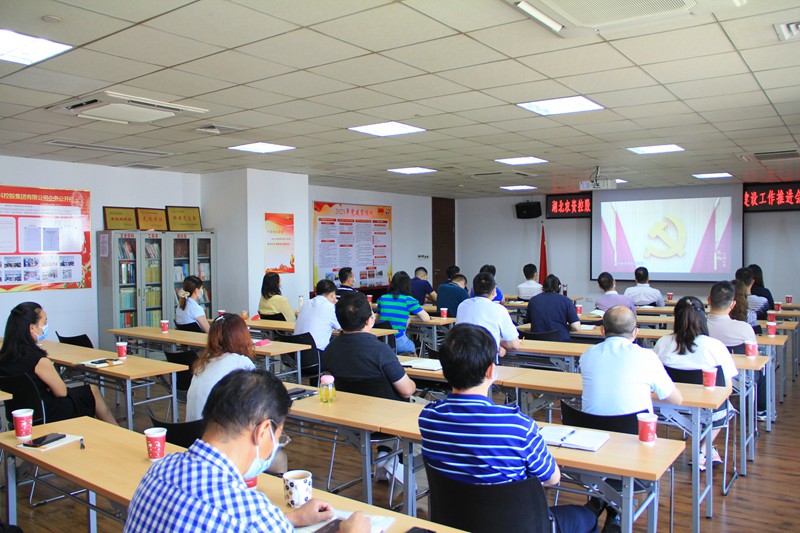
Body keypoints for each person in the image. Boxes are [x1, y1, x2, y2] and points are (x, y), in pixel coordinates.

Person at [126, 369, 369, 533]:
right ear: (263, 431)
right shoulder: (251, 514)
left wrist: (291, 519)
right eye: (278, 436)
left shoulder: (159, 469)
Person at [419, 324, 598, 533]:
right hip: (518, 526)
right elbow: (552, 478)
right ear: (490, 370)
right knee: (587, 517)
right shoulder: (518, 427)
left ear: (444, 370)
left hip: (454, 522)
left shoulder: (428, 418)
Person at [653, 297, 738, 470]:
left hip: (667, 409)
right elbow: (727, 388)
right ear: (703, 318)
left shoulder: (663, 343)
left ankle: (704, 450)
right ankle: (703, 450)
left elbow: (654, 376)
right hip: (707, 410)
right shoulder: (715, 346)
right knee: (726, 407)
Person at [0, 302, 117, 425]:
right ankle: (115, 430)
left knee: (83, 392)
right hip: (46, 413)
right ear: (32, 328)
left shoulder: (4, 356)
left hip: (19, 414)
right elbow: (61, 392)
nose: (46, 326)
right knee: (92, 390)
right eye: (44, 322)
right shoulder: (38, 360)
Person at [580, 306, 682, 416]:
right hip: (635, 426)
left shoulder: (587, 355)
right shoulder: (647, 357)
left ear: (602, 330)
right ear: (635, 332)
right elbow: (676, 400)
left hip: (591, 425)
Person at [324, 292, 416, 400]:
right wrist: (413, 384)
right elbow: (407, 391)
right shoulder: (381, 351)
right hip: (387, 408)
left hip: (348, 406)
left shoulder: (330, 349)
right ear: (369, 320)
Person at [706, 281, 766, 419]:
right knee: (763, 368)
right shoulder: (744, 328)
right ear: (733, 304)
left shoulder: (698, 326)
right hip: (738, 377)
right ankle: (761, 410)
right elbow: (754, 356)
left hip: (707, 377)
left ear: (709, 300)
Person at [457, 272, 520, 359]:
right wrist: (497, 343)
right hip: (486, 360)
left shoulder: (462, 306)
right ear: (494, 291)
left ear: (473, 290)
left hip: (463, 358)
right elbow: (514, 344)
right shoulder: (499, 310)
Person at [376, 271, 431, 354]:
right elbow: (426, 318)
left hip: (382, 341)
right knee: (412, 349)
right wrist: (410, 319)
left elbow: (377, 318)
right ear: (408, 285)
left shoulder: (382, 298)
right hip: (399, 341)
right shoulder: (408, 300)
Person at [525, 274, 580, 341]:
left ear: (543, 287)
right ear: (559, 287)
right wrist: (565, 327)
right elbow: (576, 327)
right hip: (560, 341)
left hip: (537, 341)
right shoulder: (566, 301)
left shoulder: (533, 300)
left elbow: (529, 321)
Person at [294, 279, 341, 351]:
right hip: (316, 352)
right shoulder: (329, 307)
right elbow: (343, 327)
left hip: (296, 351)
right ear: (332, 294)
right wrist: (339, 306)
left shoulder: (306, 303)